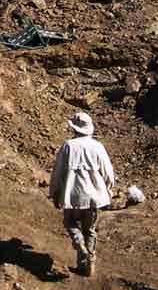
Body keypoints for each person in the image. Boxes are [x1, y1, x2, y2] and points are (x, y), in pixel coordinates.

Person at [49, 112, 115, 277]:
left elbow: (58, 172)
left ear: (74, 129)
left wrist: (55, 192)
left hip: (72, 196)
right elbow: (108, 172)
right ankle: (89, 264)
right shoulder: (98, 146)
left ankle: (79, 245)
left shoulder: (68, 146)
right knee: (90, 230)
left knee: (70, 222)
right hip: (94, 196)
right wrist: (108, 190)